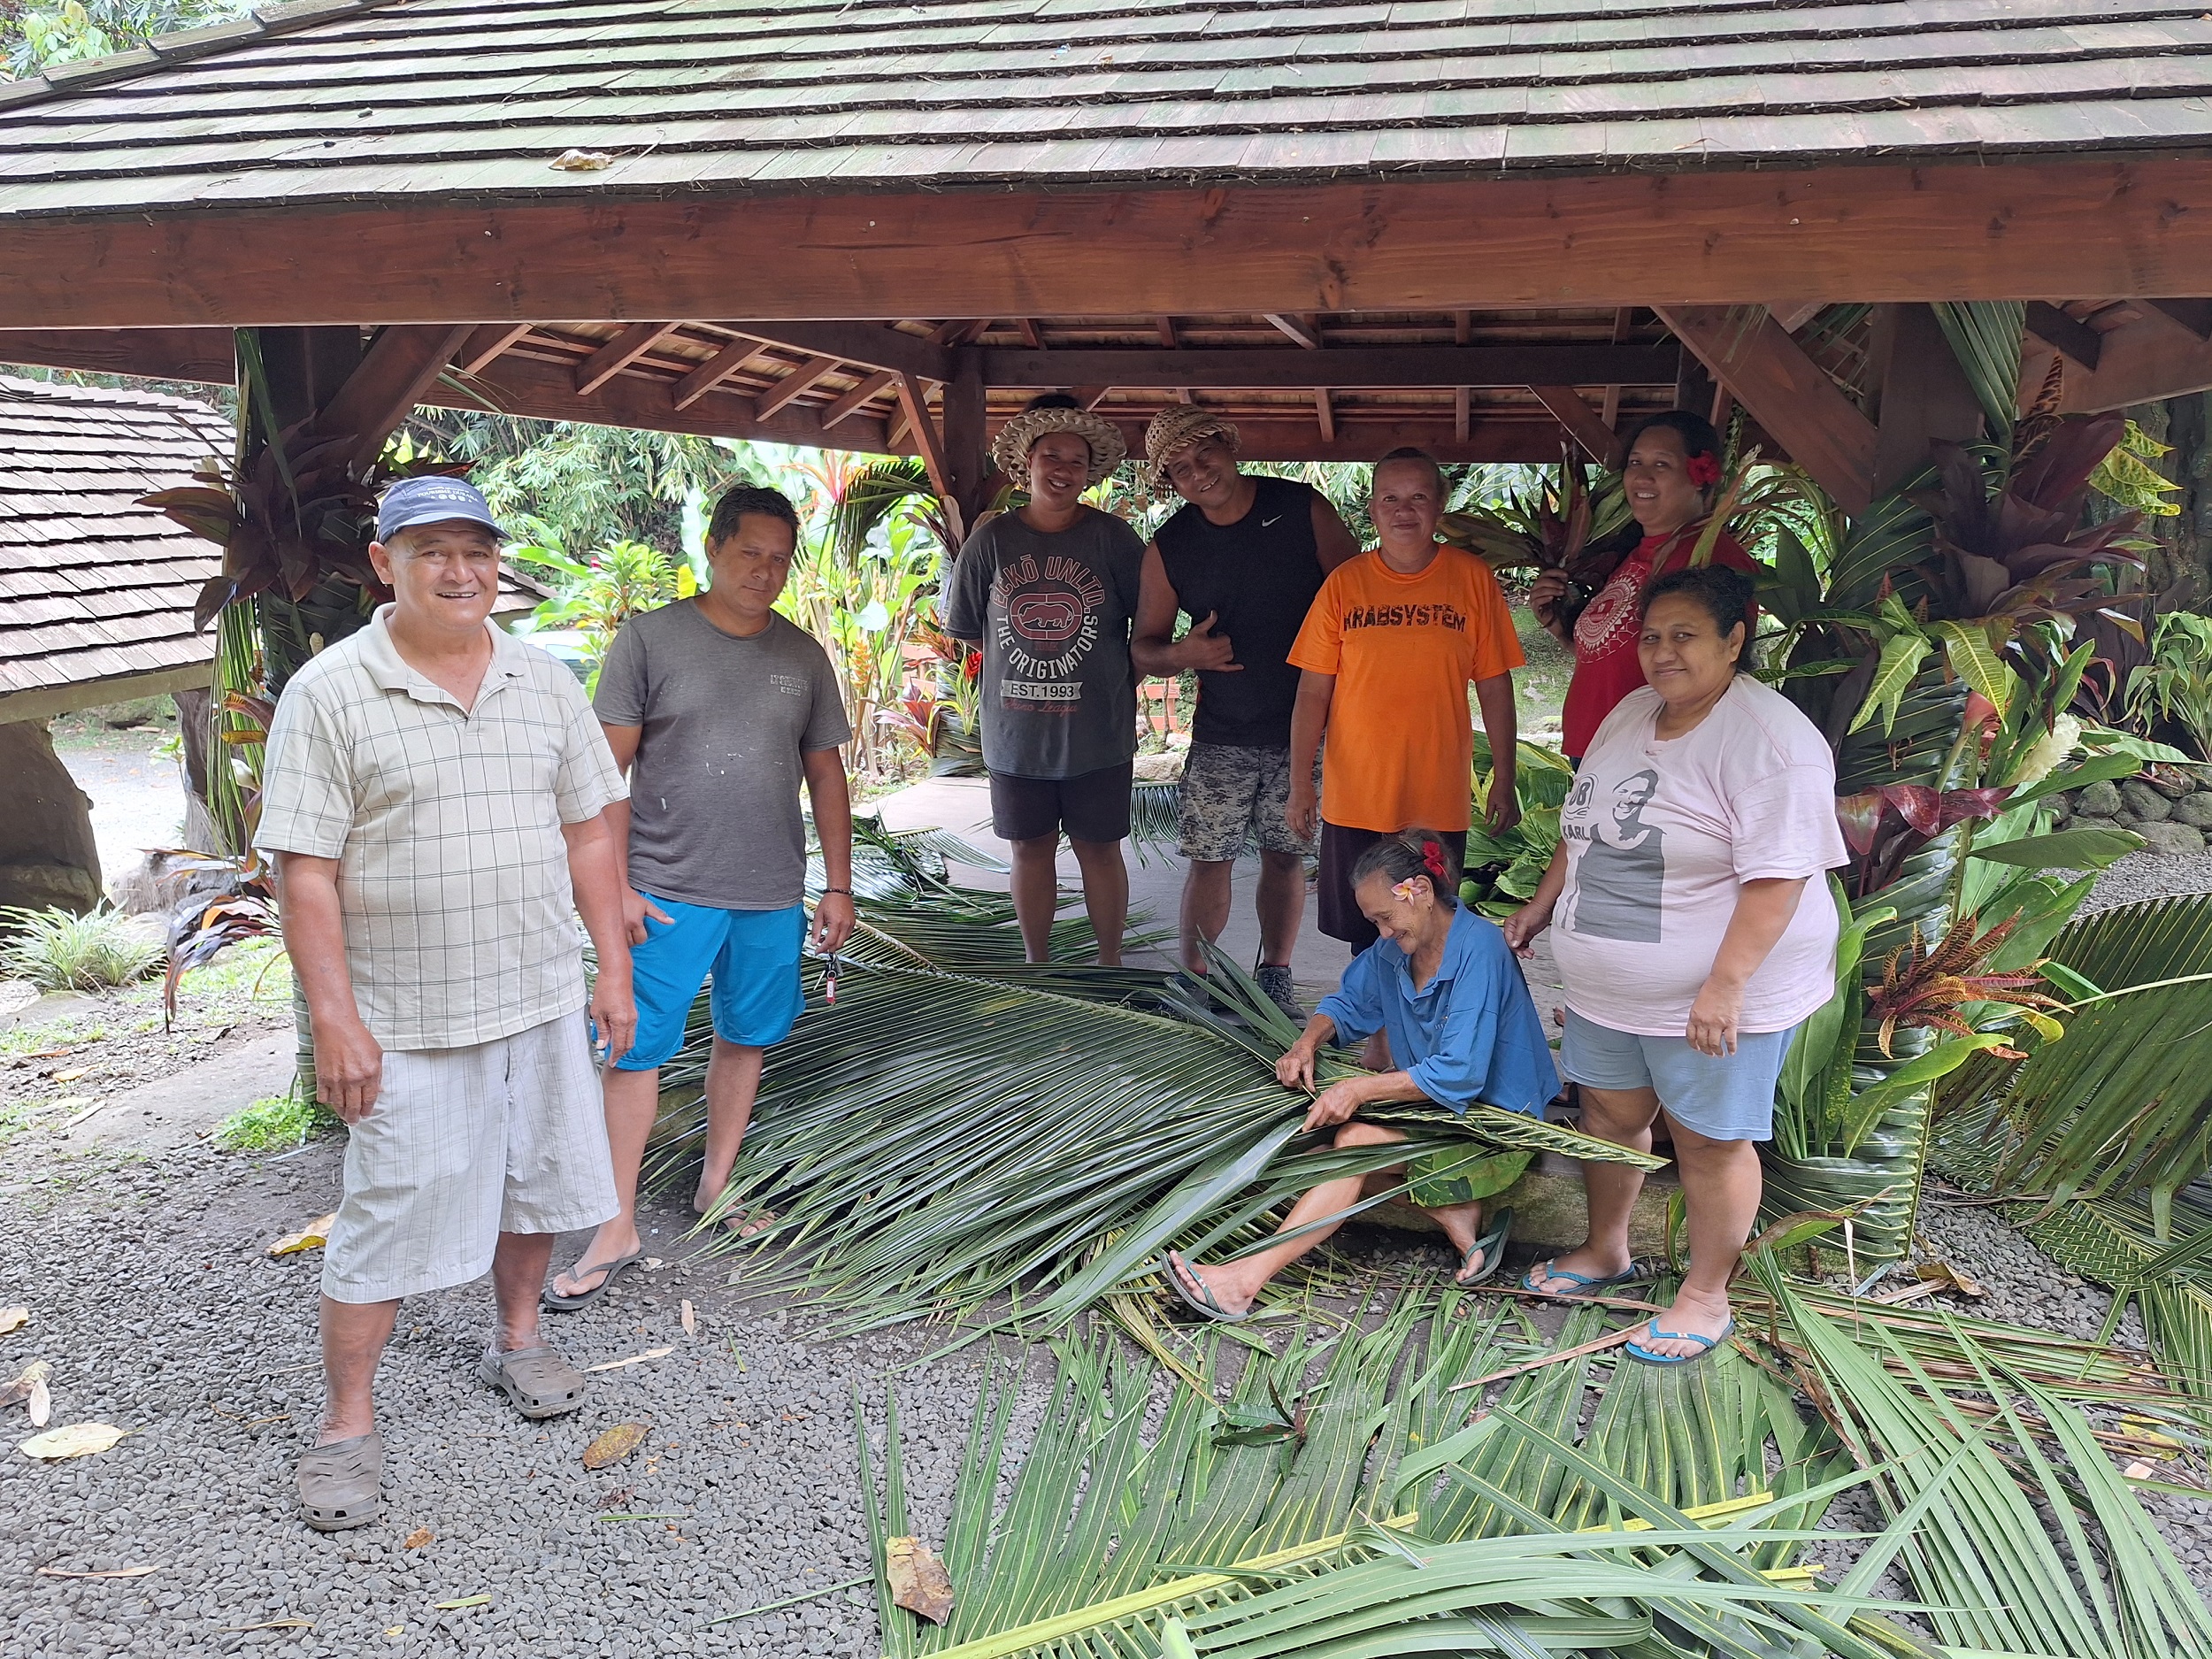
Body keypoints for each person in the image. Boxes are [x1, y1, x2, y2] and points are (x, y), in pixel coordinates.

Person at [257, 476, 635, 1532]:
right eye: (431, 551)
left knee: (540, 1182)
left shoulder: (544, 679)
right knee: (384, 1215)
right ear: (384, 563)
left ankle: (518, 1335)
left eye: (476, 549)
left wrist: (609, 967)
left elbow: (589, 833)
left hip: (538, 995)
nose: (460, 571)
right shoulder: (329, 694)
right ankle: (345, 1424)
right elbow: (306, 872)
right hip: (406, 1017)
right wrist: (336, 1020)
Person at [1503, 566, 1846, 1364]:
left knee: (1709, 1140)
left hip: (1716, 994)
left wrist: (1725, 985)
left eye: (1684, 635)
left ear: (1735, 639)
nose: (1663, 652)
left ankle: (1704, 1294)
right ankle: (1605, 1249)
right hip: (1608, 991)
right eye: (1652, 637)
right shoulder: (1631, 713)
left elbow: (1778, 879)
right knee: (1610, 1120)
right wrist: (1542, 903)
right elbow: (1581, 827)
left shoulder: (1772, 741)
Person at [547, 484, 856, 1309]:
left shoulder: (802, 656)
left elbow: (826, 774)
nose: (766, 571)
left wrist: (840, 884)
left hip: (770, 891)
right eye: (750, 553)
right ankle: (614, 1221)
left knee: (745, 1037)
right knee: (633, 1048)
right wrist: (612, 891)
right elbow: (599, 776)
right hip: (664, 889)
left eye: (781, 559)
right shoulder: (650, 640)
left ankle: (715, 1183)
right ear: (713, 549)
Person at [1164, 831, 1556, 1319]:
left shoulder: (1480, 951)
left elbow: (1460, 1073)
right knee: (1323, 1148)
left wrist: (1359, 1087)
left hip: (1497, 1123)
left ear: (1422, 891)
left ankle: (1244, 1282)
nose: (1383, 933)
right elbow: (1347, 1004)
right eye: (1375, 922)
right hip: (1437, 1114)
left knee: (1351, 1144)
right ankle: (1453, 1211)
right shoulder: (1395, 949)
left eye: (1386, 918)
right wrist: (1306, 1043)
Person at [1130, 407, 1360, 1019]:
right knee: (1209, 857)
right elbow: (1144, 647)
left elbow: (1359, 600)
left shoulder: (1303, 509)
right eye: (1179, 470)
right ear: (1171, 483)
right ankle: (1196, 975)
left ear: (1226, 447)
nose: (1197, 473)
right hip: (1221, 733)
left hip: (1305, 731)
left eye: (1202, 455)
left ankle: (1276, 972)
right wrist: (1187, 652)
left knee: (1286, 855)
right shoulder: (1171, 545)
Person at [1287, 448, 1525, 955]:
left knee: (1427, 932)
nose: (1403, 510)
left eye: (1418, 497)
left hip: (1435, 799)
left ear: (1439, 504)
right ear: (1371, 509)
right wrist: (1299, 785)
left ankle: (1418, 1034)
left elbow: (1495, 685)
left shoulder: (1472, 580)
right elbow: (1312, 692)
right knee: (1366, 934)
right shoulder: (1344, 585)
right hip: (1358, 796)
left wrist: (1504, 776)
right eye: (1390, 498)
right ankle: (1378, 1036)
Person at [944, 394, 1145, 964]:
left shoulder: (1114, 539)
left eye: (1076, 461)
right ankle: (1039, 967)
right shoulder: (991, 541)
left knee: (1100, 851)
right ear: (1026, 463)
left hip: (1098, 736)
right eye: (1051, 455)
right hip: (1016, 740)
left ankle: (1108, 966)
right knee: (1029, 852)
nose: (1063, 469)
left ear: (1089, 472)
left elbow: (1147, 626)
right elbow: (973, 633)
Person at [1526, 411, 1760, 764]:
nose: (1642, 476)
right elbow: (1616, 659)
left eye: (1661, 464)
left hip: (1652, 759)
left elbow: (1718, 671)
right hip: (1599, 751)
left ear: (1701, 474)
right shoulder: (1632, 554)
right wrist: (1560, 629)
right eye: (1636, 462)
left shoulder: (1709, 557)